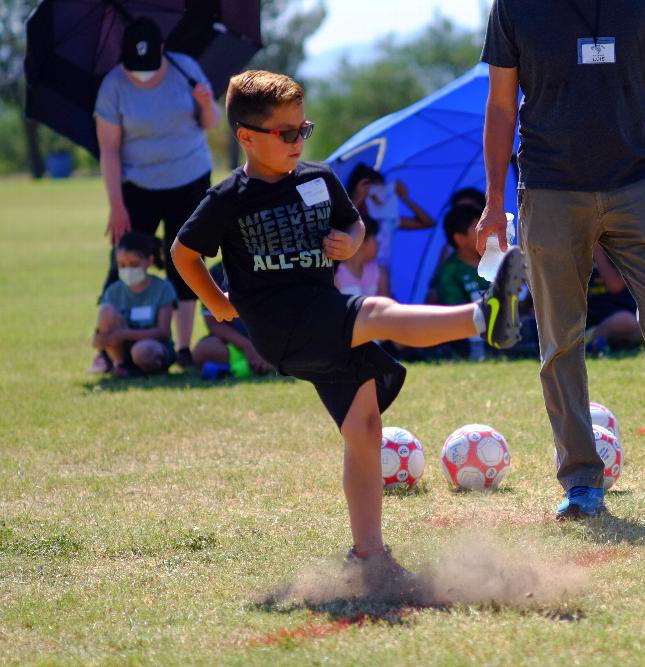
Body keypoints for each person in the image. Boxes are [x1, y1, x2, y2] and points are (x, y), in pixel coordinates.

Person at [171, 70, 526, 587]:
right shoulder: (229, 198)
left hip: (322, 312)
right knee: (378, 311)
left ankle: (368, 556)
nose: (298, 142)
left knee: (364, 431)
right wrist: (217, 302)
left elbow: (353, 220)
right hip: (282, 324)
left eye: (303, 129)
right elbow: (183, 253)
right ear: (246, 137)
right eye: (285, 133)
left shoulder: (318, 179)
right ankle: (481, 318)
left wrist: (352, 240)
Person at [480, 0, 645, 519]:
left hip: (638, 182)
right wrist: (493, 199)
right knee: (561, 338)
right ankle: (581, 482)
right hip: (551, 189)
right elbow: (501, 104)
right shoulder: (512, 7)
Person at [91, 17, 220, 373]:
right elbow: (110, 149)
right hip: (138, 185)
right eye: (135, 68)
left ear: (163, 50)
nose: (142, 75)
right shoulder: (113, 85)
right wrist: (116, 205)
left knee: (187, 260)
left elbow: (210, 123)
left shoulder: (186, 68)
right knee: (124, 259)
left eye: (149, 67)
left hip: (190, 177)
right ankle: (108, 350)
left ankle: (182, 348)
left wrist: (206, 104)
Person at [93, 232, 177, 378]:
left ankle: (151, 368)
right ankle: (119, 365)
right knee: (105, 310)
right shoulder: (113, 291)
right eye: (122, 265)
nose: (128, 271)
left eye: (134, 264)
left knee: (142, 351)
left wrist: (125, 334)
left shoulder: (163, 288)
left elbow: (163, 332)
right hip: (122, 348)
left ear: (149, 261)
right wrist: (101, 339)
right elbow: (98, 338)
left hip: (153, 346)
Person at [344, 164, 436, 292]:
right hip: (352, 281)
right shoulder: (350, 221)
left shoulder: (387, 221)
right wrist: (356, 199)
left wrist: (405, 198)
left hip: (382, 281)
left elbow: (428, 223)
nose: (379, 200)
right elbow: (340, 227)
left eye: (383, 193)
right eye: (373, 195)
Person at [191, 263, 274, 377]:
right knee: (202, 351)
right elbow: (214, 324)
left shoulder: (266, 266)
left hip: (269, 341)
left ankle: (235, 370)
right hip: (235, 344)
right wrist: (247, 347)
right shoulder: (215, 273)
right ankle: (264, 366)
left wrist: (262, 348)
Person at [585, 246, 643, 353]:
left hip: (624, 316)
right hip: (591, 320)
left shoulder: (623, 247)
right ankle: (592, 342)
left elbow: (615, 285)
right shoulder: (578, 251)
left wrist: (596, 247)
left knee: (625, 321)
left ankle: (587, 341)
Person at [335, 217, 389, 298]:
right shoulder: (335, 274)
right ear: (362, 240)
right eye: (375, 239)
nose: (378, 244)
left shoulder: (379, 272)